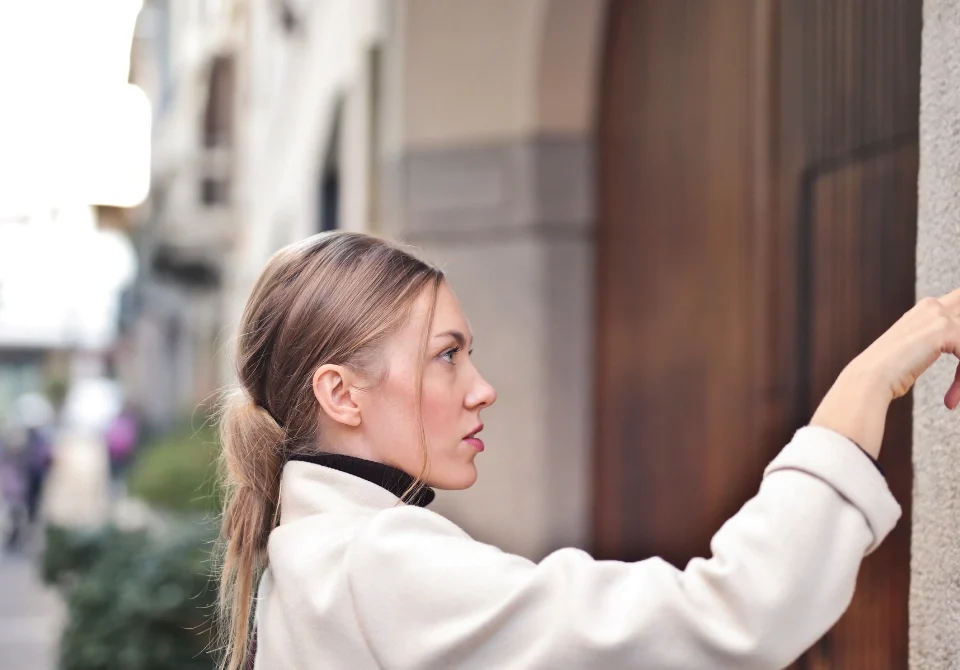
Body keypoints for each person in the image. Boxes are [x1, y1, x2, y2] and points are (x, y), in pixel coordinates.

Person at [216, 231, 960, 670]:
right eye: (447, 356)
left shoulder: (307, 562)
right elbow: (728, 622)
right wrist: (874, 377)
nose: (482, 389)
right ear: (341, 394)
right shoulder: (375, 562)